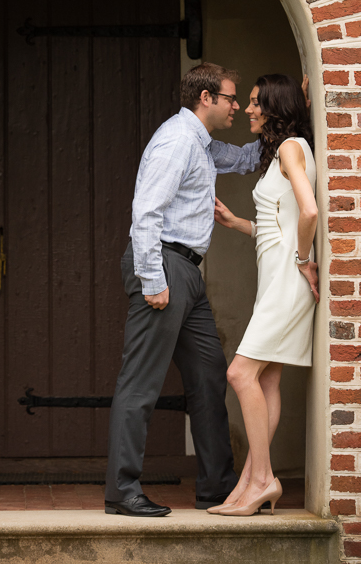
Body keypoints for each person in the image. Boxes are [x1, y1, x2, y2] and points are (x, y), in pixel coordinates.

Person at [104, 62, 261, 517]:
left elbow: (249, 158)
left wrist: (296, 117)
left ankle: (218, 486)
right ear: (206, 98)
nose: (236, 105)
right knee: (141, 383)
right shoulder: (176, 140)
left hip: (187, 272)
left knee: (210, 374)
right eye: (231, 97)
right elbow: (145, 212)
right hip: (164, 266)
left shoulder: (203, 144)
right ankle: (122, 491)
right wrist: (153, 280)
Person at [207, 73, 318, 517]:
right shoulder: (283, 152)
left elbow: (308, 210)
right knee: (266, 379)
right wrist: (240, 224)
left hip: (288, 280)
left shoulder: (291, 148)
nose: (249, 110)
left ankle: (262, 479)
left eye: (256, 103)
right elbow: (282, 223)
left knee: (239, 374)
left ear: (275, 107)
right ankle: (250, 483)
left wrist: (304, 260)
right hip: (275, 278)